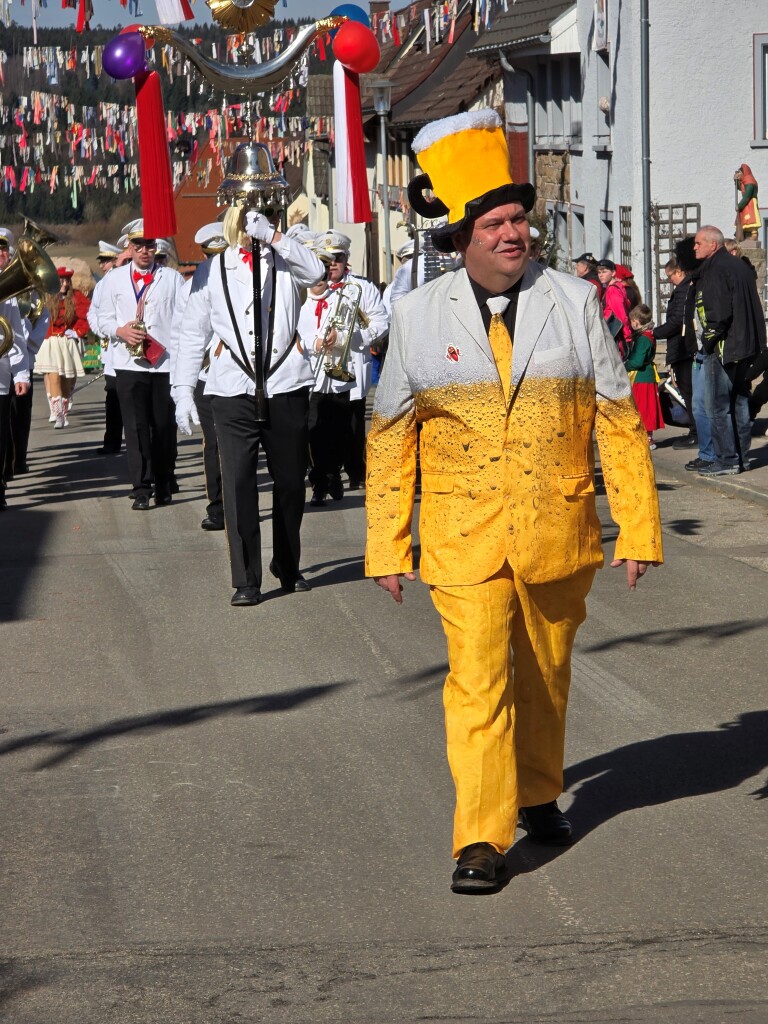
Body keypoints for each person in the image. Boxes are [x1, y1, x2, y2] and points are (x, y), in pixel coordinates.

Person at [367, 109, 662, 895]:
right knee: (478, 681)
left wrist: (638, 525)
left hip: (557, 528)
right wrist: (387, 544)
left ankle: (537, 789)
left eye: (520, 219)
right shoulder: (416, 317)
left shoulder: (573, 300)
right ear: (459, 236)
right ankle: (480, 838)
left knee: (546, 674)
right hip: (463, 538)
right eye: (496, 222)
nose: (514, 233)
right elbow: (391, 436)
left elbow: (617, 420)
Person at [172, 201, 325, 606]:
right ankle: (246, 579)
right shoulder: (214, 269)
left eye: (263, 216)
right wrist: (183, 391)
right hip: (231, 388)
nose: (252, 224)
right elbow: (192, 334)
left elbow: (318, 272)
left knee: (291, 482)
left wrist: (275, 238)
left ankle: (287, 565)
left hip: (285, 384)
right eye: (247, 217)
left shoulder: (287, 257)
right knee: (238, 483)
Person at [98, 218, 185, 509]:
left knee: (162, 428)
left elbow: (184, 319)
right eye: (139, 245)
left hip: (164, 365)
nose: (145, 251)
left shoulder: (171, 278)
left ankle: (164, 482)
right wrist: (119, 330)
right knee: (135, 429)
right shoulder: (114, 279)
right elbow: (101, 319)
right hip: (128, 363)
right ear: (129, 248)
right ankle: (141, 487)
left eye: (150, 245)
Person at [300, 230, 389, 505]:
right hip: (313, 374)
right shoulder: (304, 290)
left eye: (337, 259)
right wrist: (312, 342)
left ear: (346, 259)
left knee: (344, 431)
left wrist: (349, 338)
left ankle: (339, 473)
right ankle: (320, 482)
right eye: (326, 261)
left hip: (348, 373)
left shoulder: (362, 289)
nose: (332, 265)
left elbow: (381, 324)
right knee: (314, 430)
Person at [693, 224, 766, 475]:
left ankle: (726, 459)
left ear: (713, 244)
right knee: (740, 402)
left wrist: (710, 341)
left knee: (718, 406)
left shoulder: (716, 269)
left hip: (727, 347)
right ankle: (742, 459)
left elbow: (719, 312)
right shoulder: (739, 265)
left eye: (698, 243)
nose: (695, 247)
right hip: (747, 345)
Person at [170, 221, 228, 531]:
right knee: (214, 444)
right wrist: (180, 388)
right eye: (211, 255)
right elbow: (183, 337)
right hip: (207, 375)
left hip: (238, 373)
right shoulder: (192, 286)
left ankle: (236, 499)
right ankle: (217, 505)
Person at [35, 267, 89, 429]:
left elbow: (86, 316)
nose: (64, 284)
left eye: (67, 281)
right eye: (61, 281)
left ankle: (63, 411)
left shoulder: (76, 296)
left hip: (66, 342)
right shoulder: (45, 296)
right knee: (54, 376)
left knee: (66, 381)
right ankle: (57, 413)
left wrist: (77, 331)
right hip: (50, 342)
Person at [653, 256, 698, 449]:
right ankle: (696, 431)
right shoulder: (685, 288)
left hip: (683, 348)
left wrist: (653, 333)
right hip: (683, 347)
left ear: (679, 272)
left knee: (689, 393)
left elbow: (677, 321)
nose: (669, 280)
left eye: (670, 276)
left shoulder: (683, 290)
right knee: (688, 392)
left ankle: (696, 432)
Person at [87, 240, 126, 456]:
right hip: (111, 350)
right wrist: (103, 330)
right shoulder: (102, 284)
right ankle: (112, 441)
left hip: (126, 346)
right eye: (101, 262)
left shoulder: (121, 279)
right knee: (112, 398)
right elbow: (94, 313)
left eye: (105, 261)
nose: (102, 266)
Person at [0, 268, 30, 510]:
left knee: (0, 435)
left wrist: (20, 373)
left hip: (0, 375)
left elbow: (16, 336)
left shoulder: (6, 289)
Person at [625, 304, 664, 449]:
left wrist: (624, 365)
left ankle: (646, 439)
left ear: (636, 321)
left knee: (642, 408)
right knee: (646, 408)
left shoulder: (643, 339)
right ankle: (647, 437)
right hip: (646, 375)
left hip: (642, 378)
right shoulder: (648, 335)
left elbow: (637, 361)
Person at [597, 259, 632, 357]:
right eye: (599, 272)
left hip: (616, 335)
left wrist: (627, 337)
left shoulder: (613, 290)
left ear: (613, 273)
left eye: (604, 272)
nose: (601, 275)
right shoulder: (614, 287)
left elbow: (621, 315)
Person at [734, 164, 761, 240]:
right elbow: (740, 187)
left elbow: (747, 196)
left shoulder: (750, 182)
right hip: (746, 204)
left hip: (750, 203)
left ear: (744, 173)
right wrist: (735, 180)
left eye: (739, 172)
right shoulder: (744, 182)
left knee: (751, 218)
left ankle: (754, 235)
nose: (738, 174)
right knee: (744, 219)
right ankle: (745, 235)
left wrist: (739, 206)